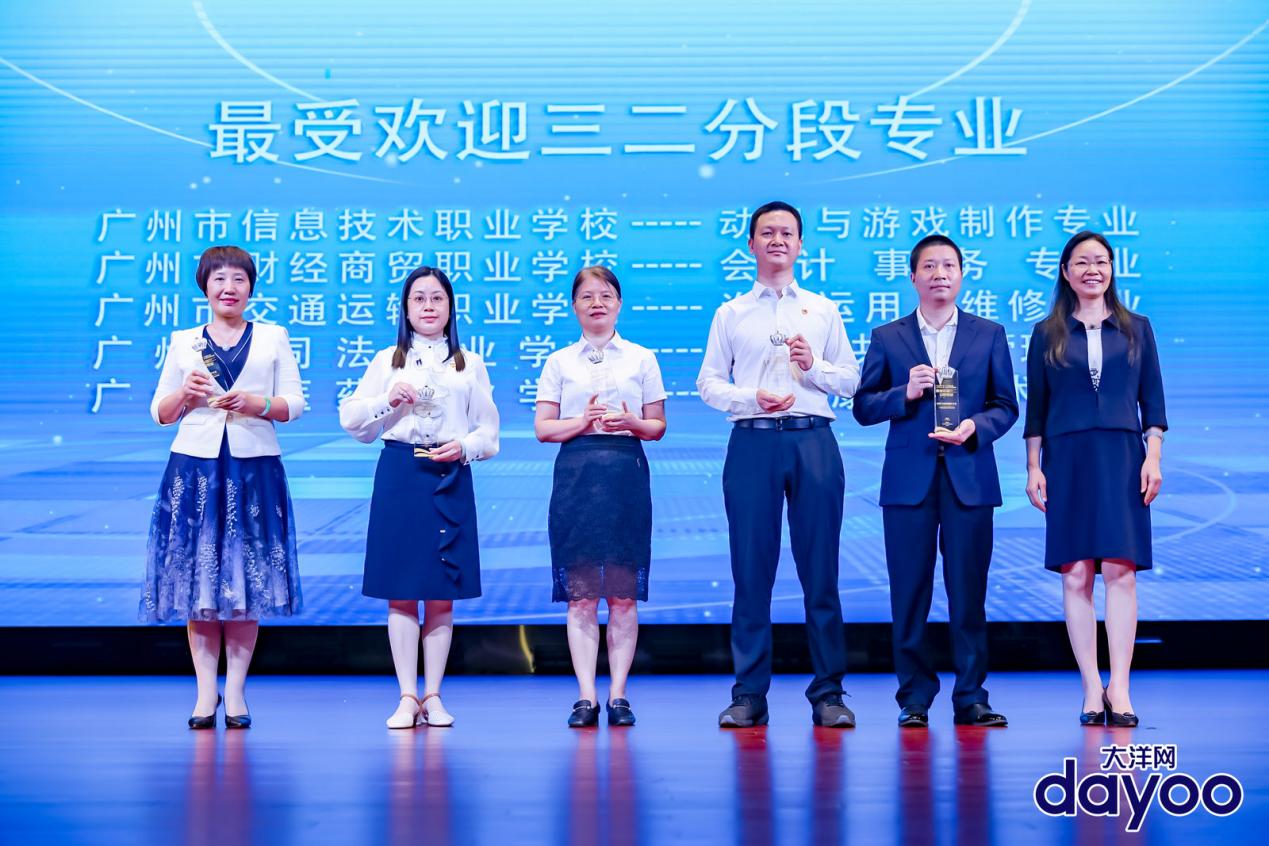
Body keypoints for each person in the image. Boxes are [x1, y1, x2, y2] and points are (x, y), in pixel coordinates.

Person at [697, 201, 861, 728]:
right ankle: (749, 694)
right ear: (750, 244)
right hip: (754, 442)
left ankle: (829, 693)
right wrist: (750, 398)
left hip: (813, 441)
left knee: (821, 572)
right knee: (751, 572)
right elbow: (708, 384)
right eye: (767, 232)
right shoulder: (731, 313)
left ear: (800, 244)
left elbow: (851, 381)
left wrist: (814, 368)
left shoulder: (823, 309)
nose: (777, 241)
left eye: (787, 233)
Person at [852, 235, 1018, 728]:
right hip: (909, 483)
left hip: (970, 478)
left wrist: (974, 428)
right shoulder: (889, 336)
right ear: (913, 277)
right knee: (909, 594)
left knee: (968, 594)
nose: (939, 273)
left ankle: (972, 697)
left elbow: (1006, 406)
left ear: (962, 275)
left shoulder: (989, 334)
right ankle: (914, 699)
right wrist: (905, 392)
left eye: (948, 265)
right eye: (929, 266)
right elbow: (863, 407)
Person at [141, 245, 305, 729]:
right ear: (205, 287)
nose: (229, 288)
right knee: (199, 581)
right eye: (219, 279)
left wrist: (257, 404)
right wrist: (184, 396)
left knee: (246, 581)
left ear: (251, 288)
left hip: (254, 469)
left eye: (238, 279)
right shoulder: (184, 341)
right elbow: (160, 413)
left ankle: (235, 692)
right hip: (196, 469)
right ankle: (203, 693)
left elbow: (294, 404)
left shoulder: (273, 337)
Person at [340, 266, 499, 729]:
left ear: (450, 308)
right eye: (419, 299)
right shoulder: (387, 360)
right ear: (405, 309)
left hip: (449, 473)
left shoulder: (469, 363)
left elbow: (489, 433)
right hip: (401, 473)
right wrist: (388, 400)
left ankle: (434, 695)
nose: (428, 306)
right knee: (401, 590)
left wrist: (464, 447)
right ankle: (407, 696)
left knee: (442, 592)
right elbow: (353, 422)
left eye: (437, 298)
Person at [1024, 231, 1166, 728]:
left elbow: (1153, 402)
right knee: (1077, 573)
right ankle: (1090, 686)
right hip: (1067, 458)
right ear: (1065, 272)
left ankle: (1120, 686)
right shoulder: (1047, 333)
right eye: (1082, 262)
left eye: (1101, 261)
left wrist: (1153, 458)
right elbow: (1036, 409)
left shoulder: (1137, 328)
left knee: (1121, 571)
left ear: (1112, 270)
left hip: (1123, 457)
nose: (1092, 270)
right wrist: (1034, 467)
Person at [535, 266, 667, 728]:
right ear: (574, 306)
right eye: (587, 296)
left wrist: (631, 423)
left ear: (619, 304)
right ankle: (586, 697)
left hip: (626, 474)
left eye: (606, 295)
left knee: (624, 597)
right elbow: (543, 429)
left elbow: (657, 426)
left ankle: (619, 695)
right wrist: (582, 422)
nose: (597, 303)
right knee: (582, 597)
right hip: (577, 476)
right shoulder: (559, 362)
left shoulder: (642, 358)